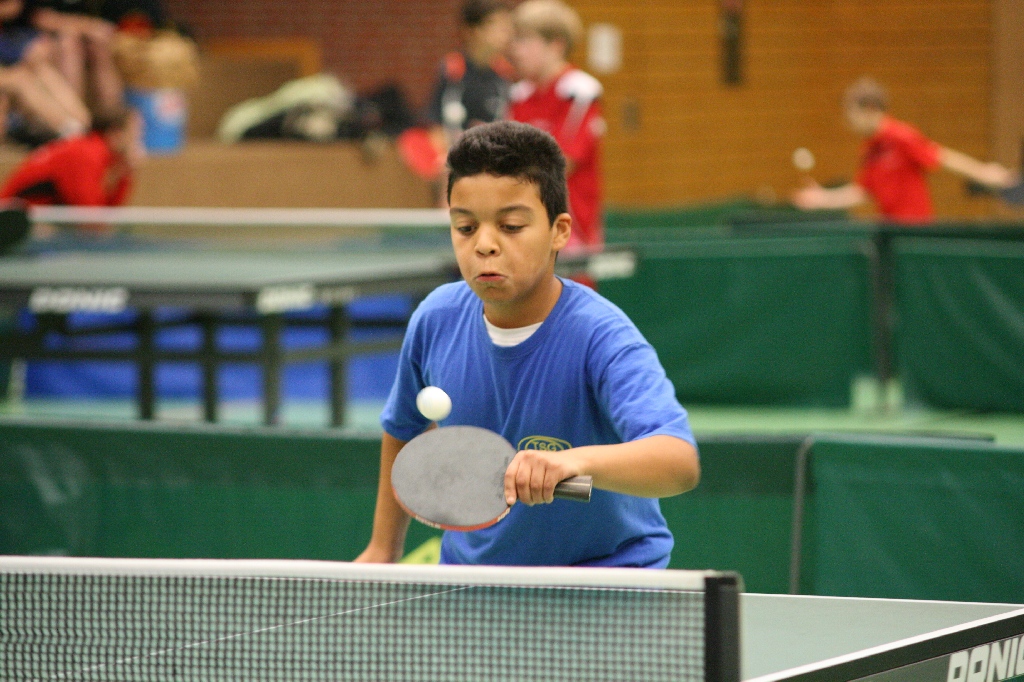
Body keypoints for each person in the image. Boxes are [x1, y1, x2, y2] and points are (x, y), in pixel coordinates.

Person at [355, 121, 699, 568]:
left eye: (511, 226)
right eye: (465, 227)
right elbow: (402, 429)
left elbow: (678, 461)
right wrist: (383, 548)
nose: (484, 245)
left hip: (607, 579)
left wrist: (572, 463)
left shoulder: (601, 336)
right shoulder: (436, 318)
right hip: (474, 582)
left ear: (559, 231)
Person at [793, 77, 1015, 224]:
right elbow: (862, 192)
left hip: (915, 234)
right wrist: (823, 198)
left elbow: (943, 157)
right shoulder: (870, 148)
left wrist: (983, 172)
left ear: (870, 109)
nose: (848, 121)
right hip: (890, 234)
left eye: (851, 113)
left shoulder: (901, 136)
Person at [508, 0, 604, 251]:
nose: (516, 50)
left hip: (571, 230)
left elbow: (561, 163)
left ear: (556, 46)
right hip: (524, 227)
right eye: (515, 40)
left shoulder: (579, 93)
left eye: (525, 41)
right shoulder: (519, 96)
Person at [0, 106, 142, 206]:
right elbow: (90, 222)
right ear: (116, 134)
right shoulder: (86, 154)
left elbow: (106, 216)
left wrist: (124, 171)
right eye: (134, 132)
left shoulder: (95, 152)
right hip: (13, 225)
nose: (138, 139)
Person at [0, 0, 91, 140]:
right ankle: (71, 131)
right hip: (11, 75)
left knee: (43, 69)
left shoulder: (13, 23)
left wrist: (32, 50)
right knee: (20, 78)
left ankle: (81, 122)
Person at [427, 0, 513, 146]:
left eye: (506, 26)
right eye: (496, 25)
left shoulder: (505, 73)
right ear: (473, 30)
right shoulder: (453, 69)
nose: (505, 33)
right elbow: (436, 125)